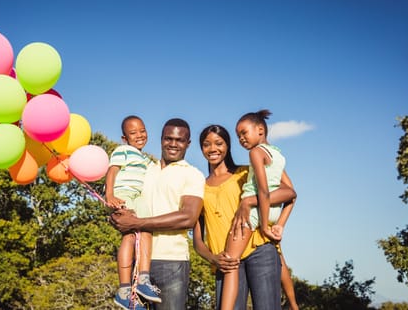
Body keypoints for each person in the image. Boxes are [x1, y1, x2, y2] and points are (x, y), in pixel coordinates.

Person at [193, 124, 298, 310]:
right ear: (201, 148)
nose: (213, 149)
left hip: (259, 250)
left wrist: (249, 200)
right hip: (226, 262)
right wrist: (213, 258)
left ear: (227, 146)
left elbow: (288, 192)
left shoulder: (245, 173)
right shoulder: (198, 187)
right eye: (206, 144)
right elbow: (198, 240)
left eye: (219, 143)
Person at [110, 118, 205, 310]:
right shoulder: (145, 169)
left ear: (188, 143)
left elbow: (188, 217)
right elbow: (125, 197)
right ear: (161, 139)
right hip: (138, 262)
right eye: (168, 138)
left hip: (171, 262)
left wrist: (136, 223)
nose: (173, 144)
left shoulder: (193, 174)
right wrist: (116, 215)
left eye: (179, 140)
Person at [219, 110, 297, 310]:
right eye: (238, 136)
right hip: (271, 211)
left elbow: (262, 191)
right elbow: (292, 194)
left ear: (260, 130)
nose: (241, 139)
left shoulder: (255, 153)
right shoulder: (278, 155)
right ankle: (294, 304)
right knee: (277, 257)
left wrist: (263, 225)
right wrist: (279, 223)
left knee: (230, 264)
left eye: (244, 133)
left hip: (252, 214)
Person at [105, 115, 161, 309]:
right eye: (133, 133)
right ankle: (124, 290)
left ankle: (143, 279)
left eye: (142, 131)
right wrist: (109, 195)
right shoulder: (123, 150)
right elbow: (112, 171)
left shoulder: (145, 159)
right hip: (123, 195)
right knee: (129, 236)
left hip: (138, 198)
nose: (139, 135)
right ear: (124, 138)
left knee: (146, 229)